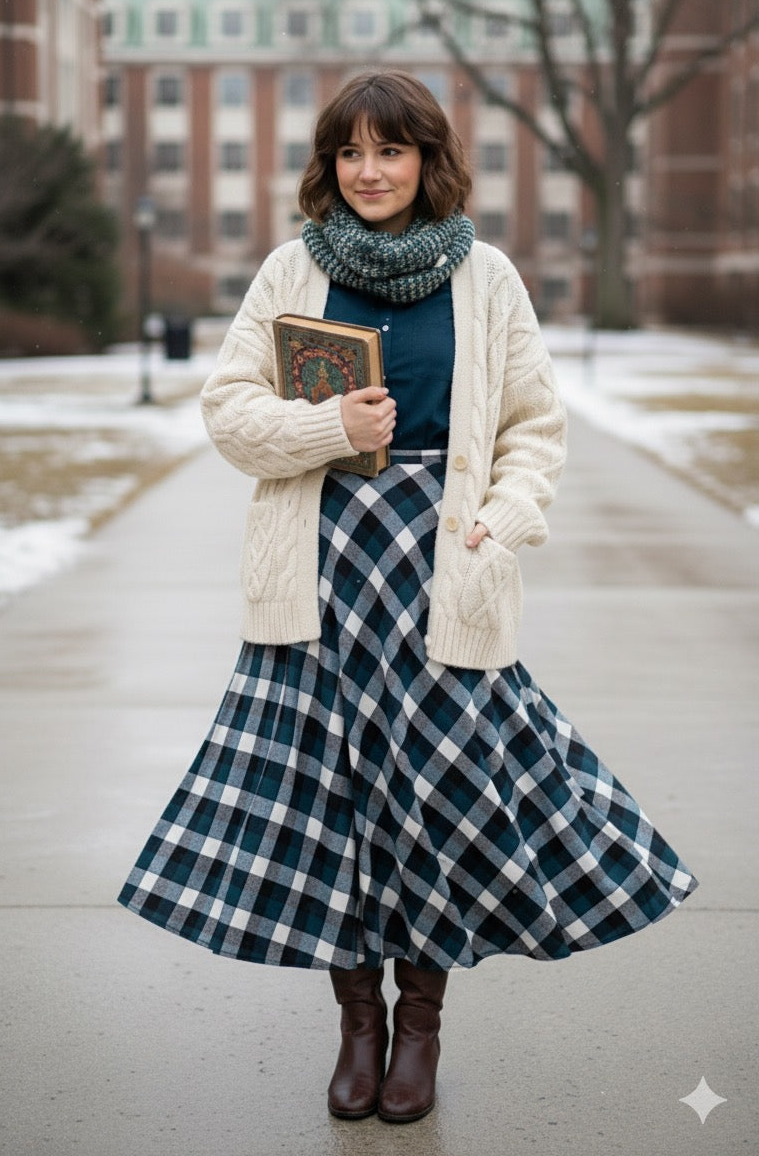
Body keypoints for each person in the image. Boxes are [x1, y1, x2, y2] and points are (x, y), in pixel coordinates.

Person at [118, 69, 698, 1125]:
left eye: (391, 150)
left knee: (437, 802)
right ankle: (358, 1025)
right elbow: (229, 411)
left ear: (429, 160)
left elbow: (534, 425)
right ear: (329, 164)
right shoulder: (291, 271)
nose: (370, 171)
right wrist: (328, 433)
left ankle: (420, 1026)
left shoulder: (489, 280)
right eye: (351, 152)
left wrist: (502, 519)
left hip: (446, 573)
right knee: (337, 808)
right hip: (321, 575)